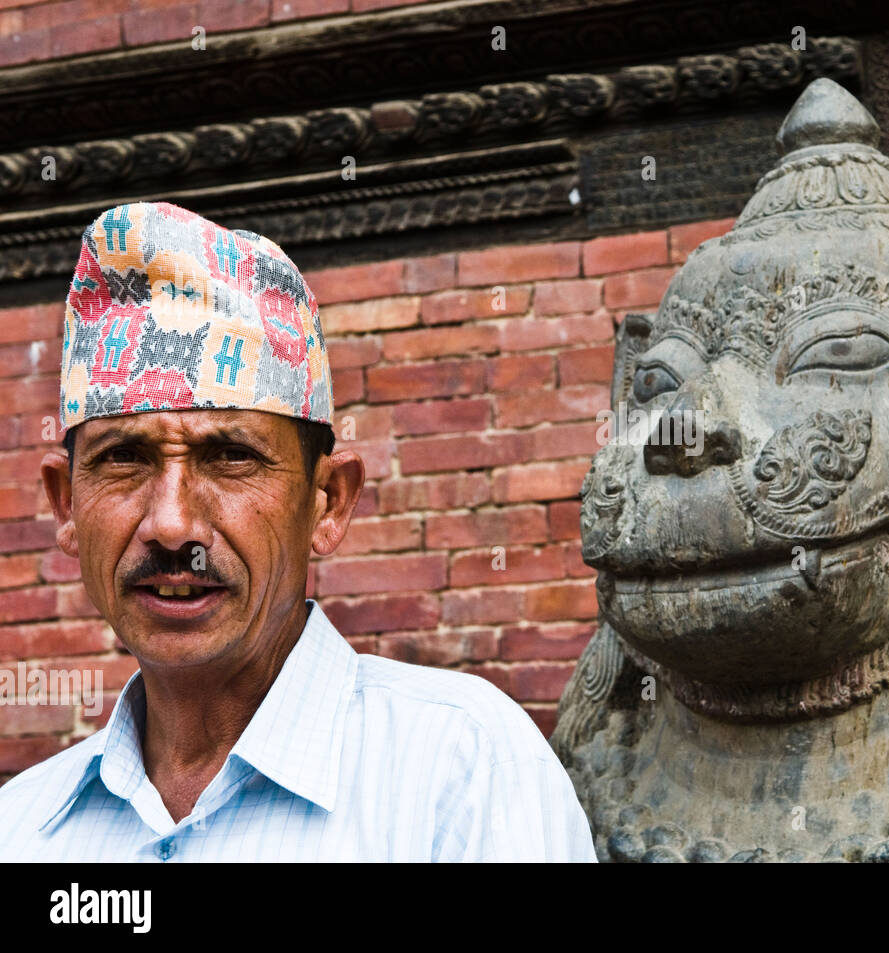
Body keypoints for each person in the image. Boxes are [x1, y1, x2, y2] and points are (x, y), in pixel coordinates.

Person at [0, 202, 596, 862]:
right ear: (66, 505)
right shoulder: (22, 830)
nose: (171, 526)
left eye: (230, 456)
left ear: (327, 501)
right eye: (124, 458)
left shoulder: (460, 774)